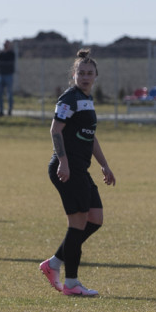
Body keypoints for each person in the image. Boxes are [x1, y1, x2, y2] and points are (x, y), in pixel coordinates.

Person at [39, 49, 116, 297]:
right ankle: (71, 283)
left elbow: (89, 136)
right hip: (68, 168)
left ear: (96, 76)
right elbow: (55, 130)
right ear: (74, 74)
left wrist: (104, 164)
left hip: (81, 168)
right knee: (78, 223)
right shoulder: (69, 99)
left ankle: (53, 263)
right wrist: (63, 161)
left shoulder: (87, 99)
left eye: (89, 73)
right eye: (80, 72)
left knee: (96, 218)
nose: (85, 76)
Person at [0, 39, 16, 117]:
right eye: (4, 45)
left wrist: (2, 64)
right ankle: (1, 111)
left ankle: (9, 110)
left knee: (9, 94)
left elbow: (11, 64)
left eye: (7, 45)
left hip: (9, 75)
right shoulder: (0, 53)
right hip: (1, 75)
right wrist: (4, 64)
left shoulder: (11, 54)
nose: (5, 46)